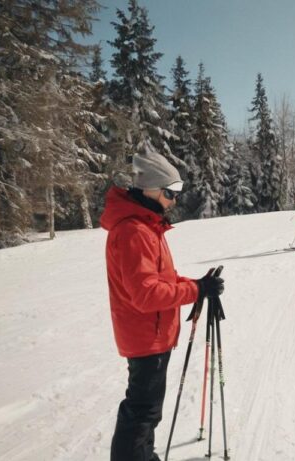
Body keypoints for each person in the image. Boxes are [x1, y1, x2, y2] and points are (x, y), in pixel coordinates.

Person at [101, 152, 225, 461]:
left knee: (146, 411)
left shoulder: (146, 226)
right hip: (146, 337)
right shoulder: (134, 231)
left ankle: (144, 454)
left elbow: (162, 279)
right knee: (142, 411)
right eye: (169, 194)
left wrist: (195, 284)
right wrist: (196, 289)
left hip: (152, 334)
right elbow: (146, 294)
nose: (172, 201)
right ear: (152, 189)